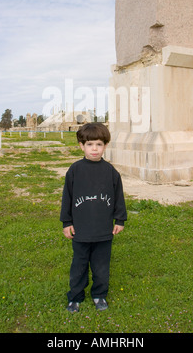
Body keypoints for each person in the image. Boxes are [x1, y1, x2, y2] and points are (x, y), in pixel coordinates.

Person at [60, 122, 127, 313]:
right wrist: (67, 222)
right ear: (82, 145)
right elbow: (68, 198)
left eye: (99, 144)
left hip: (103, 231)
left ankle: (99, 295)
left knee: (101, 267)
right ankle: (75, 297)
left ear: (105, 145)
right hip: (80, 231)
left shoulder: (111, 172)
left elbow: (118, 198)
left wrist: (120, 220)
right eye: (90, 144)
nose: (94, 149)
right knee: (79, 266)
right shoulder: (75, 170)